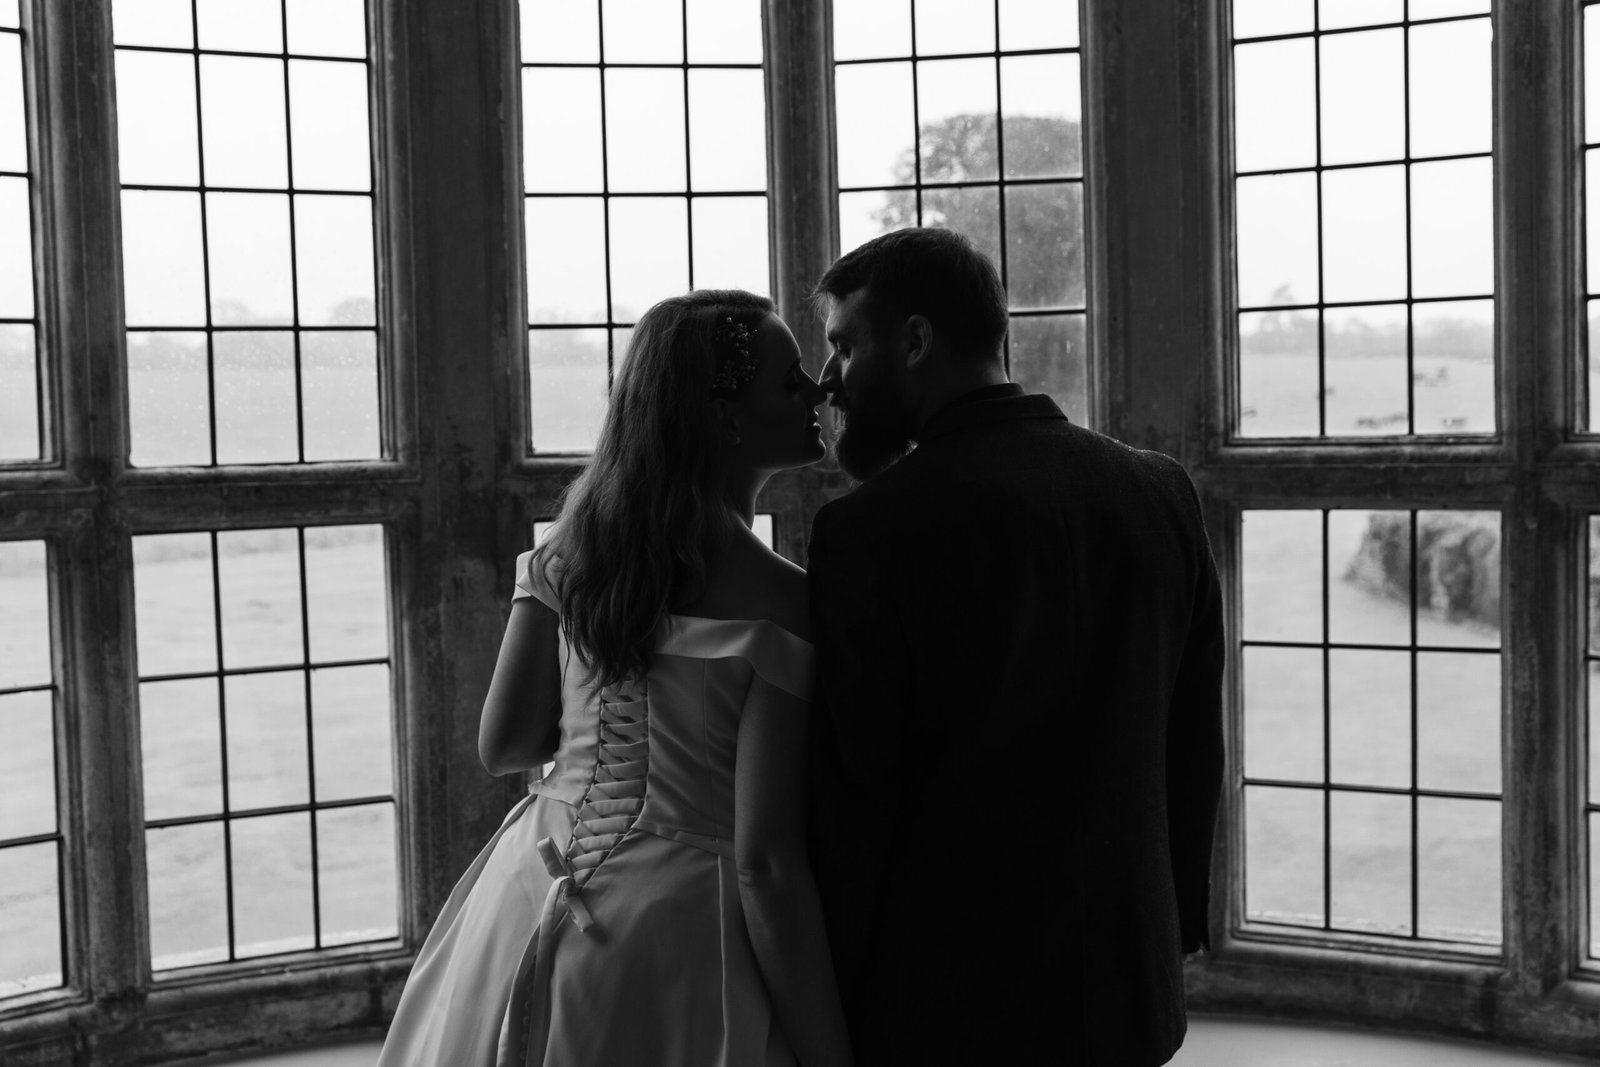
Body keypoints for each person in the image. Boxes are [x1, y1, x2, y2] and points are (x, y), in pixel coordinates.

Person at [377, 290, 852, 1067]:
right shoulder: (786, 601)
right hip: (679, 930)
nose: (819, 388)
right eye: (789, 377)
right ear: (726, 417)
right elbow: (765, 863)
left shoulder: (567, 557)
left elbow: (505, 745)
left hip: (528, 887)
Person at [804, 228, 1225, 1065]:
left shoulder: (869, 532)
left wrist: (829, 1004)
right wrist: (1165, 938)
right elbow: (1191, 745)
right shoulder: (1162, 491)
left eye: (845, 345)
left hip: (949, 1010)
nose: (828, 379)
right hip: (1129, 991)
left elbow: (854, 804)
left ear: (915, 340)